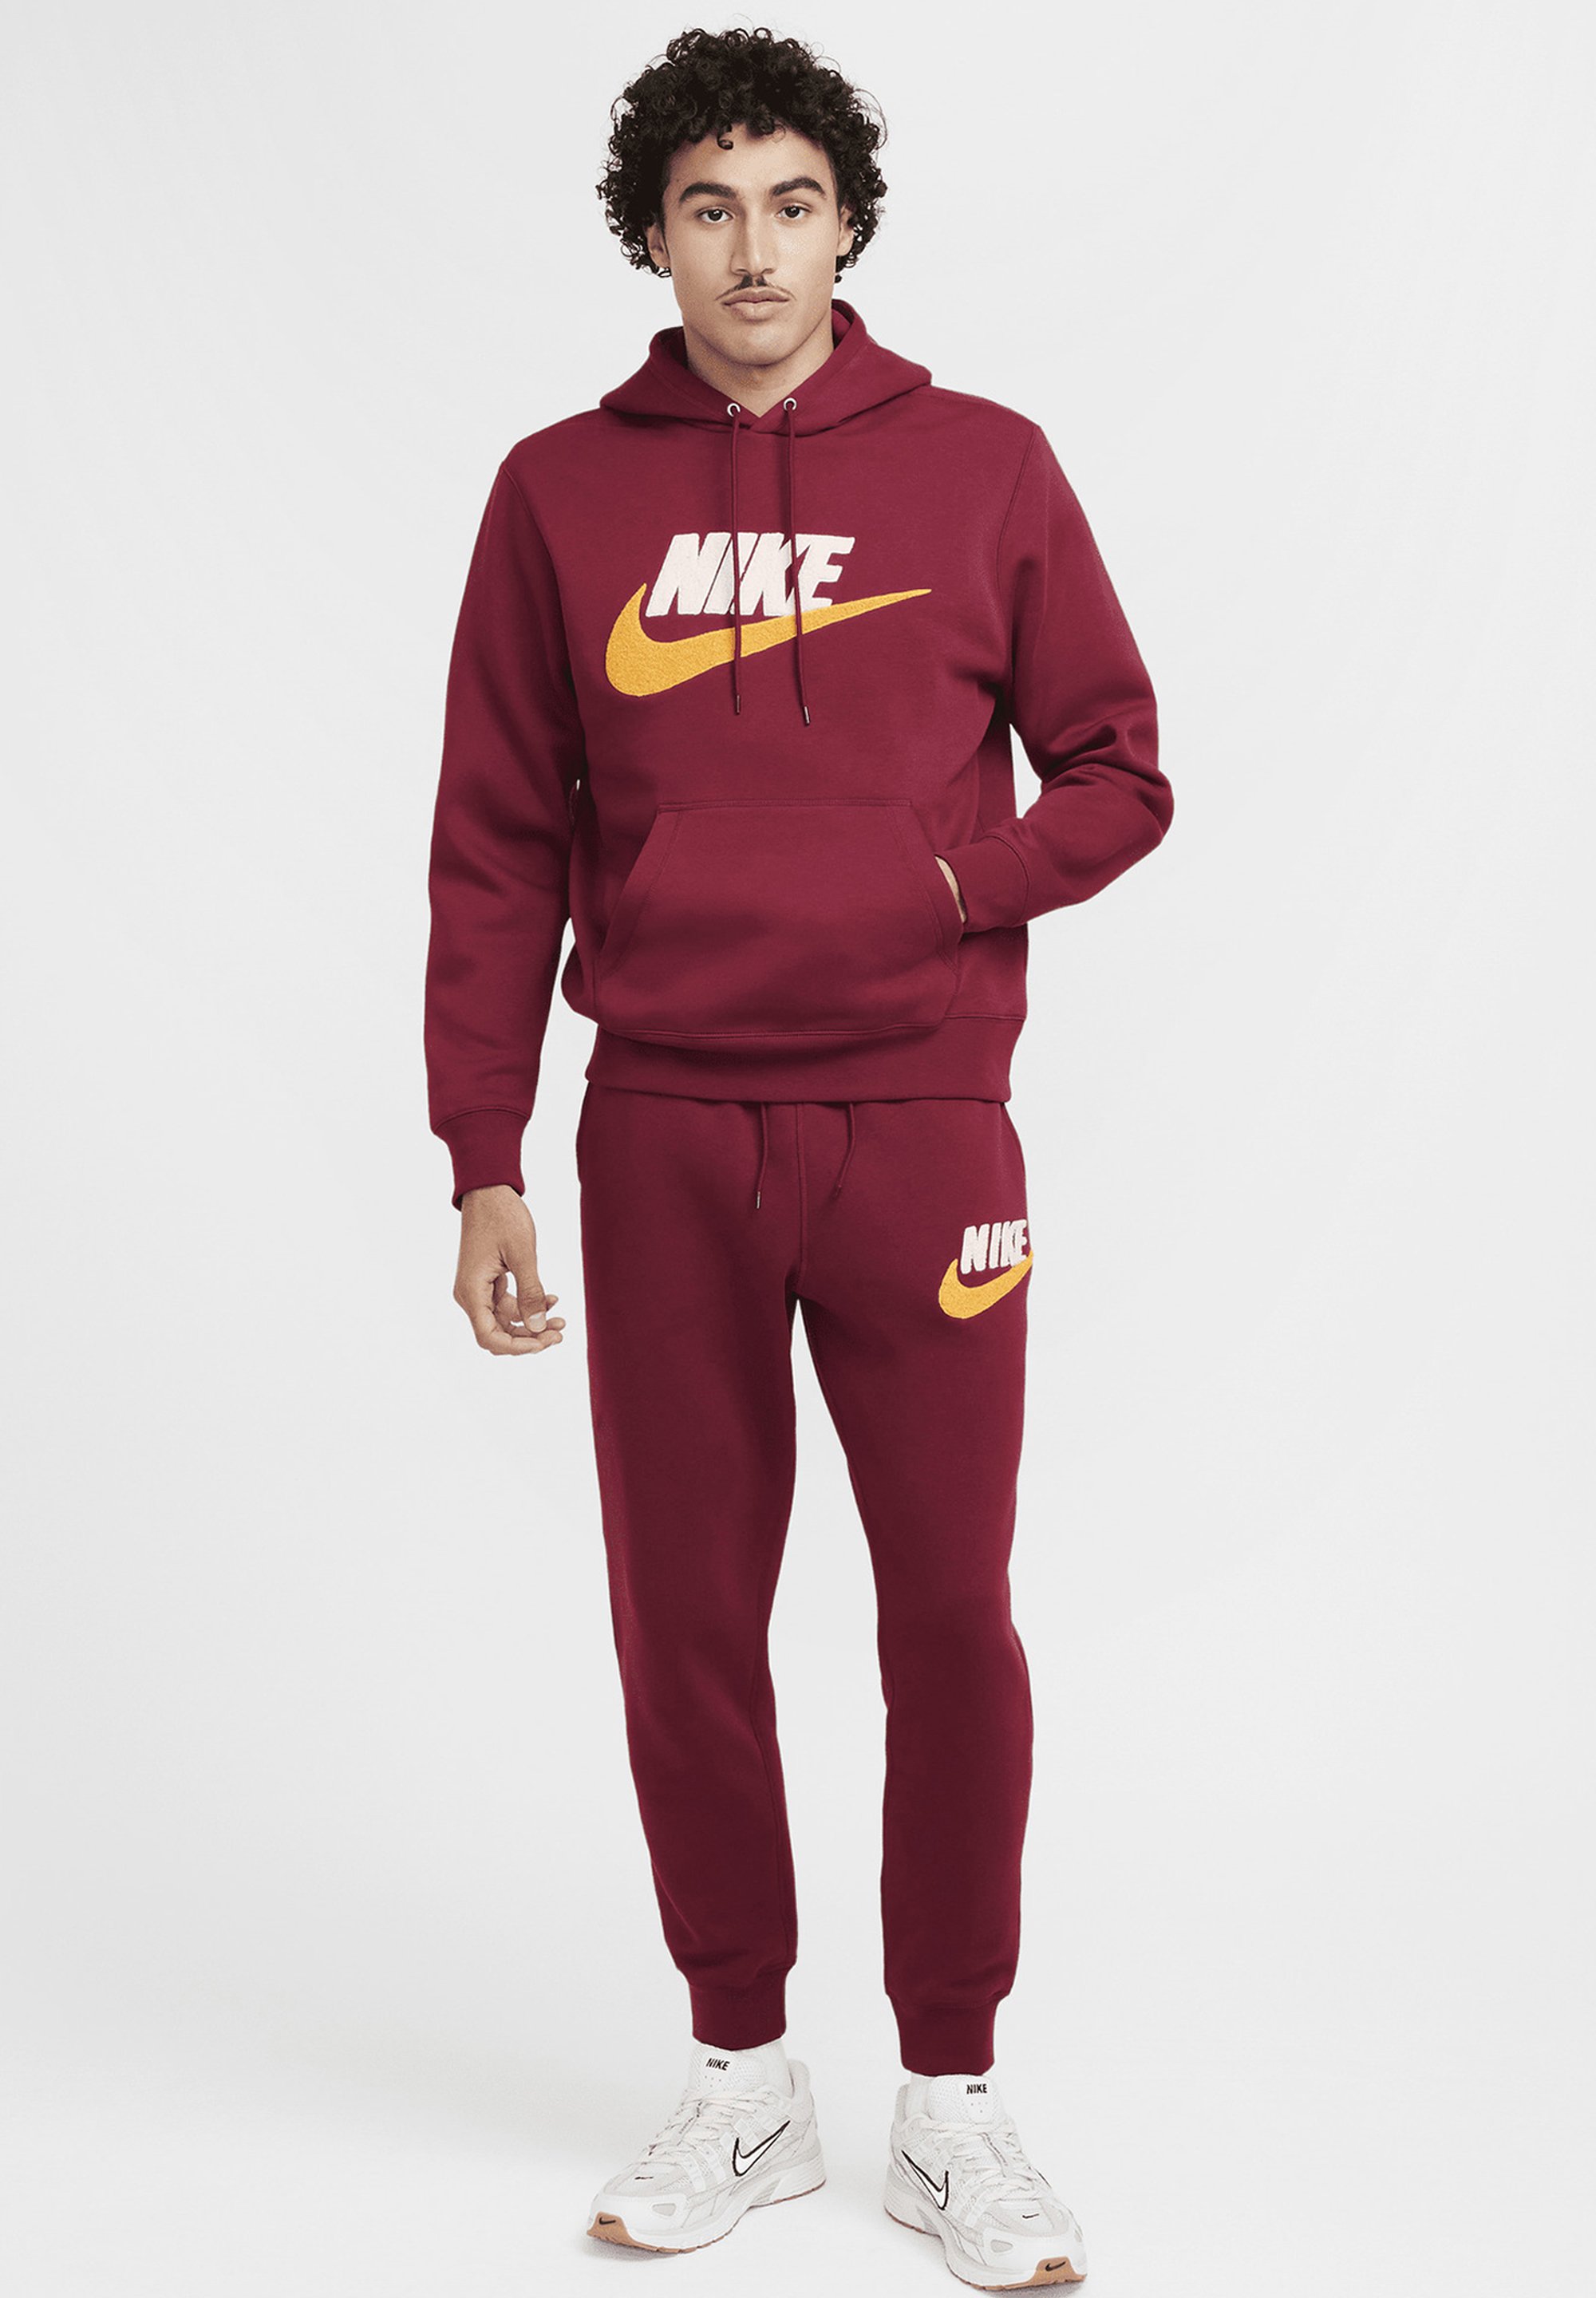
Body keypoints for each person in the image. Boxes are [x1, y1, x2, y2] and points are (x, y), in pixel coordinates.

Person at [423, 24, 1171, 2285]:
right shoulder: (556, 493)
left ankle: (953, 2102)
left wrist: (948, 889)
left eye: (791, 204)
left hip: (925, 1127)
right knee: (687, 1621)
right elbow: (492, 844)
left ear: (849, 226)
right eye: (707, 209)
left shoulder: (987, 466)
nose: (752, 251)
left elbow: (1119, 772)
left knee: (949, 1612)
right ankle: (743, 2076)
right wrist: (482, 1149)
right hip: (657, 1126)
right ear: (652, 239)